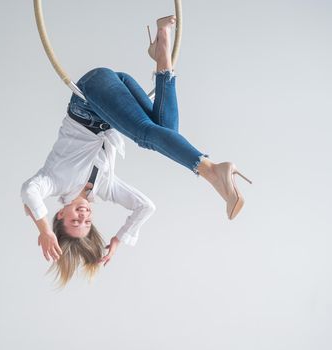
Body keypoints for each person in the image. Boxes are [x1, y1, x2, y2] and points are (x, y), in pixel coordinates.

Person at [20, 15, 252, 288]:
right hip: (115, 95)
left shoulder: (55, 182)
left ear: (60, 215)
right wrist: (119, 238)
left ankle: (212, 170)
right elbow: (145, 206)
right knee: (168, 129)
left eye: (75, 220)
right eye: (86, 222)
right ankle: (161, 45)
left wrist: (45, 231)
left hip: (91, 93)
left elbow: (28, 191)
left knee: (145, 134)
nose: (83, 216)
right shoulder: (104, 189)